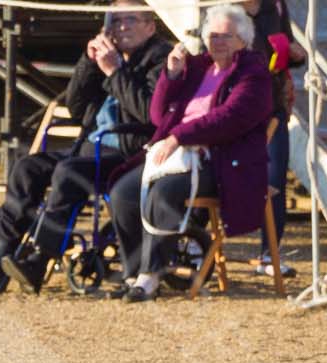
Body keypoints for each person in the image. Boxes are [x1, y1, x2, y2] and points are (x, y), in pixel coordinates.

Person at [0, 0, 173, 294]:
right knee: (26, 168)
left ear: (150, 26)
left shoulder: (161, 60)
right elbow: (76, 108)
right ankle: (0, 256)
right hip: (89, 146)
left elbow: (148, 112)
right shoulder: (111, 56)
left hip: (129, 153)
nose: (120, 27)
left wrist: (115, 72)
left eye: (129, 20)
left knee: (69, 173)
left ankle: (40, 258)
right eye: (115, 20)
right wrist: (88, 62)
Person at [108, 4, 274, 302]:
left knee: (163, 194)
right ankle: (133, 271)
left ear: (243, 41)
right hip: (177, 157)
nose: (217, 42)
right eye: (212, 35)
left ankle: (152, 274)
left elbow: (229, 118)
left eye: (226, 36)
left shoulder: (254, 75)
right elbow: (159, 117)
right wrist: (170, 76)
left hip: (222, 163)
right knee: (124, 192)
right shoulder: (198, 67)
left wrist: (177, 138)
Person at [243, 0, 307, 275]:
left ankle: (270, 255)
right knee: (217, 176)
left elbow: (286, 46)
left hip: (272, 108)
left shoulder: (276, 5)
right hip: (233, 107)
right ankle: (198, 248)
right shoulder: (219, 8)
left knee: (275, 180)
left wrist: (297, 54)